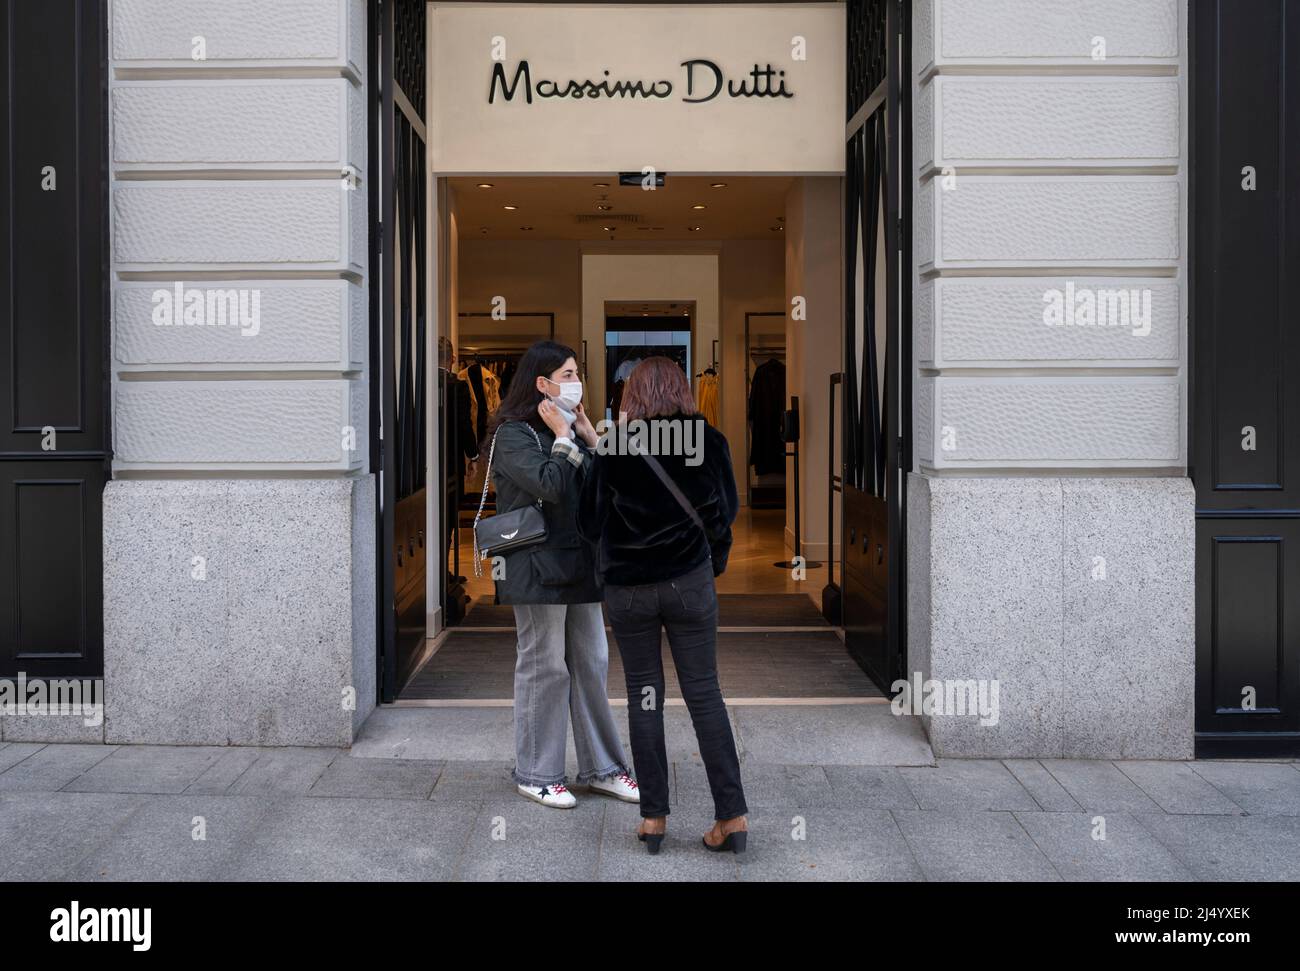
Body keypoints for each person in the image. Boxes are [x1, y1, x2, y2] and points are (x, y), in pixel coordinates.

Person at [578, 357, 748, 854]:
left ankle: (653, 820)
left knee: (644, 697)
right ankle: (731, 818)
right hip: (689, 585)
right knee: (705, 695)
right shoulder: (708, 440)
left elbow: (589, 524)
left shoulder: (613, 446)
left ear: (632, 395)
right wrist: (709, 563)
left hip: (630, 593)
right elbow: (727, 512)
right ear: (682, 390)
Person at [482, 340, 638, 809]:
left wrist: (590, 435)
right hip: (535, 565)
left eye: (576, 374)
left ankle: (603, 767)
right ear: (542, 384)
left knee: (591, 662)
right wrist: (565, 439)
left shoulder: (573, 427)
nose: (576, 383)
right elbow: (550, 485)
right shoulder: (513, 435)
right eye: (567, 374)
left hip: (579, 561)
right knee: (544, 666)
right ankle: (537, 772)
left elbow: (618, 483)